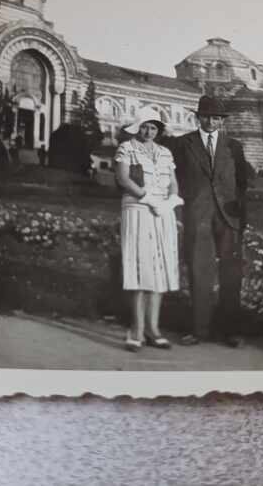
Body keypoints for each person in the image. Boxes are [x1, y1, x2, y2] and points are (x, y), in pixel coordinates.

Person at [171, 95, 254, 347]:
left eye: (216, 117)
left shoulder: (233, 146)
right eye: (206, 116)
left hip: (229, 216)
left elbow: (243, 179)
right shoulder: (183, 144)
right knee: (199, 270)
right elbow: (174, 177)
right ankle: (199, 330)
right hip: (198, 215)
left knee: (231, 272)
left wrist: (239, 208)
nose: (211, 121)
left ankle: (230, 331)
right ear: (198, 117)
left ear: (221, 120)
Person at [114, 108, 183, 352]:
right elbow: (124, 179)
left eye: (153, 128)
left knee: (160, 268)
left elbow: (173, 182)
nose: (148, 131)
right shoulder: (126, 148)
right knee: (139, 267)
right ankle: (136, 329)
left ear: (159, 130)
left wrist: (170, 202)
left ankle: (153, 329)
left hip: (163, 212)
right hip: (137, 210)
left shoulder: (165, 152)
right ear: (137, 126)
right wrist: (148, 199)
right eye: (144, 126)